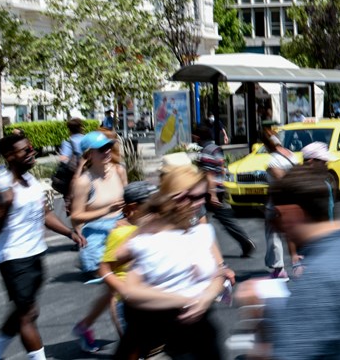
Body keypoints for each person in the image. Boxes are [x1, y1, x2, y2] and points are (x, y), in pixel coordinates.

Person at [239, 166, 340, 359]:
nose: (274, 226)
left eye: (274, 216)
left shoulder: (317, 280)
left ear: (291, 214)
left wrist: (260, 324)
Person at [0, 133, 86, 360]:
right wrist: (5, 207)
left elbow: (45, 214)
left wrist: (69, 233)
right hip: (13, 259)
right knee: (27, 314)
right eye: (26, 150)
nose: (32, 153)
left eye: (31, 148)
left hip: (36, 255)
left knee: (25, 311)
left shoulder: (30, 181)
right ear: (10, 156)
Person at [112, 164, 230, 360]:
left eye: (203, 197)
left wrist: (206, 298)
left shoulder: (201, 231)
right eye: (193, 197)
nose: (199, 203)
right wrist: (184, 300)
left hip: (202, 330)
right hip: (163, 333)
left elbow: (219, 272)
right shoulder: (153, 236)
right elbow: (130, 286)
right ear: (176, 197)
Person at [72, 180, 156, 352]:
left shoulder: (151, 227)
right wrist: (125, 291)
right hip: (129, 303)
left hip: (149, 298)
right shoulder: (121, 233)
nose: (156, 209)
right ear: (133, 207)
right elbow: (107, 270)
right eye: (150, 205)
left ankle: (85, 326)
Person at [69, 131, 127, 275]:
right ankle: (86, 258)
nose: (107, 151)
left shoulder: (119, 170)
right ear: (89, 155)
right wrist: (107, 210)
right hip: (96, 231)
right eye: (101, 149)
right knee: (105, 276)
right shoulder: (84, 182)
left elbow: (129, 200)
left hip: (120, 227)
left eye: (108, 146)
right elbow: (75, 216)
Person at [192, 124, 255, 257]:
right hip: (219, 188)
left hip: (209, 192)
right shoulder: (216, 149)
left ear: (198, 137)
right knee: (224, 219)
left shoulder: (206, 152)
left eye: (195, 137)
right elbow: (221, 168)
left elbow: (209, 174)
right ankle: (244, 241)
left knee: (199, 218)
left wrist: (212, 194)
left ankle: (202, 249)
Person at [260, 120, 297, 278]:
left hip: (276, 202)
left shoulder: (273, 160)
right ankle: (297, 263)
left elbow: (280, 181)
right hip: (292, 200)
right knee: (291, 233)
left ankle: (279, 269)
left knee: (273, 234)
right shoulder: (291, 155)